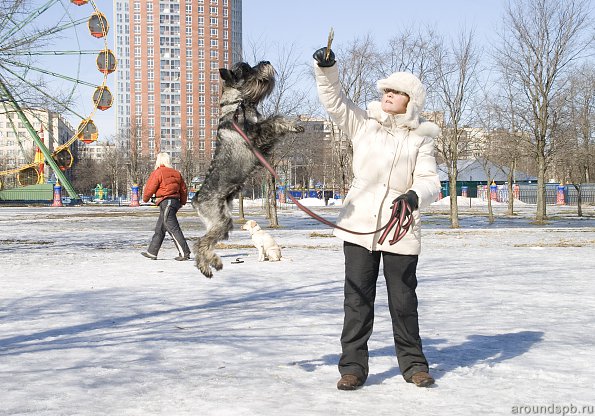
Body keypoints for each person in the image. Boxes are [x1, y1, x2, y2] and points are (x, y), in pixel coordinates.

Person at [313, 46, 441, 389]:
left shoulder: (421, 138)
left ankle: (415, 366)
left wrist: (414, 196)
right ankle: (352, 367)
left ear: (410, 100)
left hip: (399, 229)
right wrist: (327, 70)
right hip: (358, 226)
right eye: (386, 90)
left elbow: (430, 181)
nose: (388, 95)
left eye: (396, 92)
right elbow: (335, 101)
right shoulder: (364, 124)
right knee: (356, 300)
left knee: (403, 301)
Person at [141, 152, 192, 261]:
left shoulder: (158, 172)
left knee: (173, 228)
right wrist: (182, 202)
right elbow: (183, 189)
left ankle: (185, 253)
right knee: (160, 228)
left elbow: (150, 188)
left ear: (159, 161)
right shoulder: (176, 173)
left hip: (166, 202)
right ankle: (152, 252)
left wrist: (145, 199)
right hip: (173, 202)